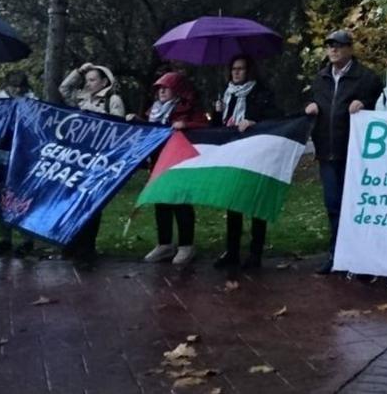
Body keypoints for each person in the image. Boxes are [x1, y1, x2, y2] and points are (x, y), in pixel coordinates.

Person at [305, 30, 382, 274]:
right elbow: (308, 100)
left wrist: (365, 105)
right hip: (327, 152)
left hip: (355, 154)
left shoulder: (367, 78)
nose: (333, 49)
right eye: (329, 45)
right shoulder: (320, 79)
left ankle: (362, 257)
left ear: (349, 48)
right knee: (333, 205)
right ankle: (336, 254)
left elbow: (380, 108)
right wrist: (309, 106)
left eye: (338, 45)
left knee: (357, 205)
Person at [131, 72, 209, 266]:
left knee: (181, 202)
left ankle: (186, 245)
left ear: (178, 90)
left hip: (180, 161)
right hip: (158, 161)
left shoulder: (187, 109)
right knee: (161, 201)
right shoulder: (153, 111)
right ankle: (164, 243)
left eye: (166, 88)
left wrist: (186, 124)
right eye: (159, 88)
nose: (161, 91)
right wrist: (137, 121)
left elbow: (204, 126)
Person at [212, 55, 281, 269]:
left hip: (255, 153)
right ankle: (232, 251)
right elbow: (219, 127)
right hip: (232, 154)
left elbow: (275, 118)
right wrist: (216, 113)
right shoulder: (227, 94)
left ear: (249, 71)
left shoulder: (261, 93)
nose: (236, 72)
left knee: (255, 203)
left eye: (241, 69)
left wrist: (254, 122)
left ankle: (255, 253)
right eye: (233, 68)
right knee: (233, 203)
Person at [59, 62, 126, 267]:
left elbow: (120, 128)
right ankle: (72, 243)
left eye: (92, 79)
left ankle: (87, 249)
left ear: (104, 81)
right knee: (73, 200)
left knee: (91, 203)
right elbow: (64, 89)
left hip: (99, 159)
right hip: (78, 156)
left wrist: (94, 113)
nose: (88, 84)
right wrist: (78, 72)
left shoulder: (112, 100)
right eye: (86, 80)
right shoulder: (80, 97)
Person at [0, 71, 36, 257]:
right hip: (0, 155)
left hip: (22, 156)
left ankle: (26, 240)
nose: (16, 90)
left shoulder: (31, 102)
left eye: (19, 86)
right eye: (13, 86)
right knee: (1, 196)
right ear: (6, 85)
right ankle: (4, 239)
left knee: (21, 197)